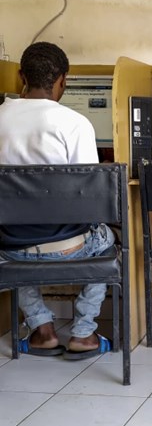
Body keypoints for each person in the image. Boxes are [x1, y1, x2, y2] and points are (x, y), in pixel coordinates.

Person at [0, 42, 115, 360]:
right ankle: (84, 333)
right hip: (68, 247)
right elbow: (90, 195)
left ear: (21, 76)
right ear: (63, 80)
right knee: (108, 241)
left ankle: (42, 331)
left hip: (10, 247)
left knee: (13, 247)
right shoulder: (74, 123)